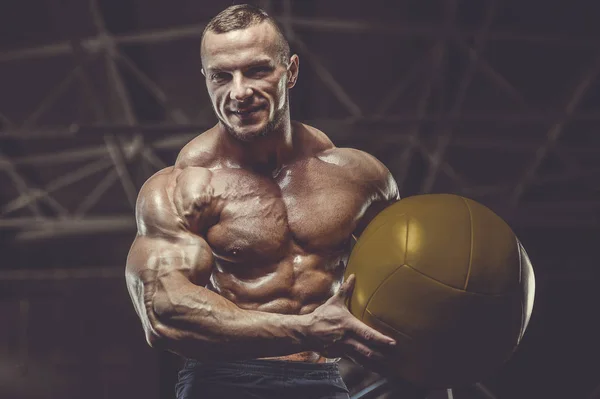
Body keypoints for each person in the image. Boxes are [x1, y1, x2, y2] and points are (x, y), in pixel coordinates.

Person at [126, 4, 420, 399]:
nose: (239, 91)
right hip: (222, 381)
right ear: (206, 79)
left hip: (322, 380)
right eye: (221, 76)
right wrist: (306, 330)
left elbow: (413, 283)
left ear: (291, 71)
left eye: (257, 70)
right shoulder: (183, 186)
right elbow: (163, 314)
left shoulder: (359, 177)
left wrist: (435, 372)